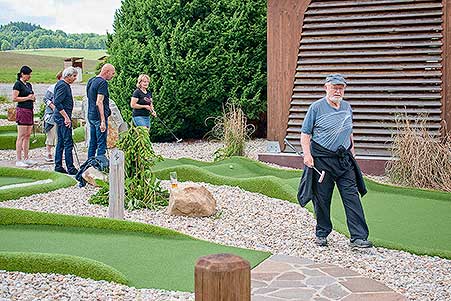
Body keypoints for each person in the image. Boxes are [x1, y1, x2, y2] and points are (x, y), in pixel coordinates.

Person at [299, 74, 372, 248]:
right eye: (334, 87)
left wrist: (352, 154)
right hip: (323, 160)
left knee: (352, 196)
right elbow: (305, 134)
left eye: (341, 88)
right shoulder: (316, 108)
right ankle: (322, 233)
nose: (338, 91)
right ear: (326, 87)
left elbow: (349, 132)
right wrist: (307, 155)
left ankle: (358, 237)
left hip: (344, 160)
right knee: (322, 199)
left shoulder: (347, 107)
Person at [86, 63, 115, 158]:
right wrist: (102, 120)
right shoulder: (103, 83)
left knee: (93, 141)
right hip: (99, 117)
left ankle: (90, 162)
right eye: (112, 73)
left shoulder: (91, 80)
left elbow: (89, 98)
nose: (113, 75)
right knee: (101, 142)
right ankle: (100, 164)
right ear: (107, 72)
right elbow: (99, 101)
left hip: (91, 115)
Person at [53, 67, 78, 175]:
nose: (75, 78)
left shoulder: (63, 84)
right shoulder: (63, 85)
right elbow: (57, 102)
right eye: (74, 76)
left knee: (61, 142)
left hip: (61, 117)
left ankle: (58, 165)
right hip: (62, 118)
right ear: (67, 76)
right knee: (68, 143)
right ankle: (70, 168)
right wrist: (66, 117)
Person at [12, 65, 36, 168]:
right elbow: (14, 98)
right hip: (22, 110)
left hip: (30, 110)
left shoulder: (29, 85)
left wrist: (32, 98)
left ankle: (26, 158)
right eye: (28, 74)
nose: (29, 76)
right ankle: (18, 159)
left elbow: (32, 96)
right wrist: (27, 98)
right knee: (21, 135)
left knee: (27, 135)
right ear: (22, 74)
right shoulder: (18, 84)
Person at [43, 71, 63, 162]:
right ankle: (48, 152)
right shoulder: (52, 87)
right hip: (52, 114)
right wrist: (54, 108)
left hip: (60, 114)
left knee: (59, 135)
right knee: (51, 133)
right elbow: (46, 99)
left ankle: (57, 153)